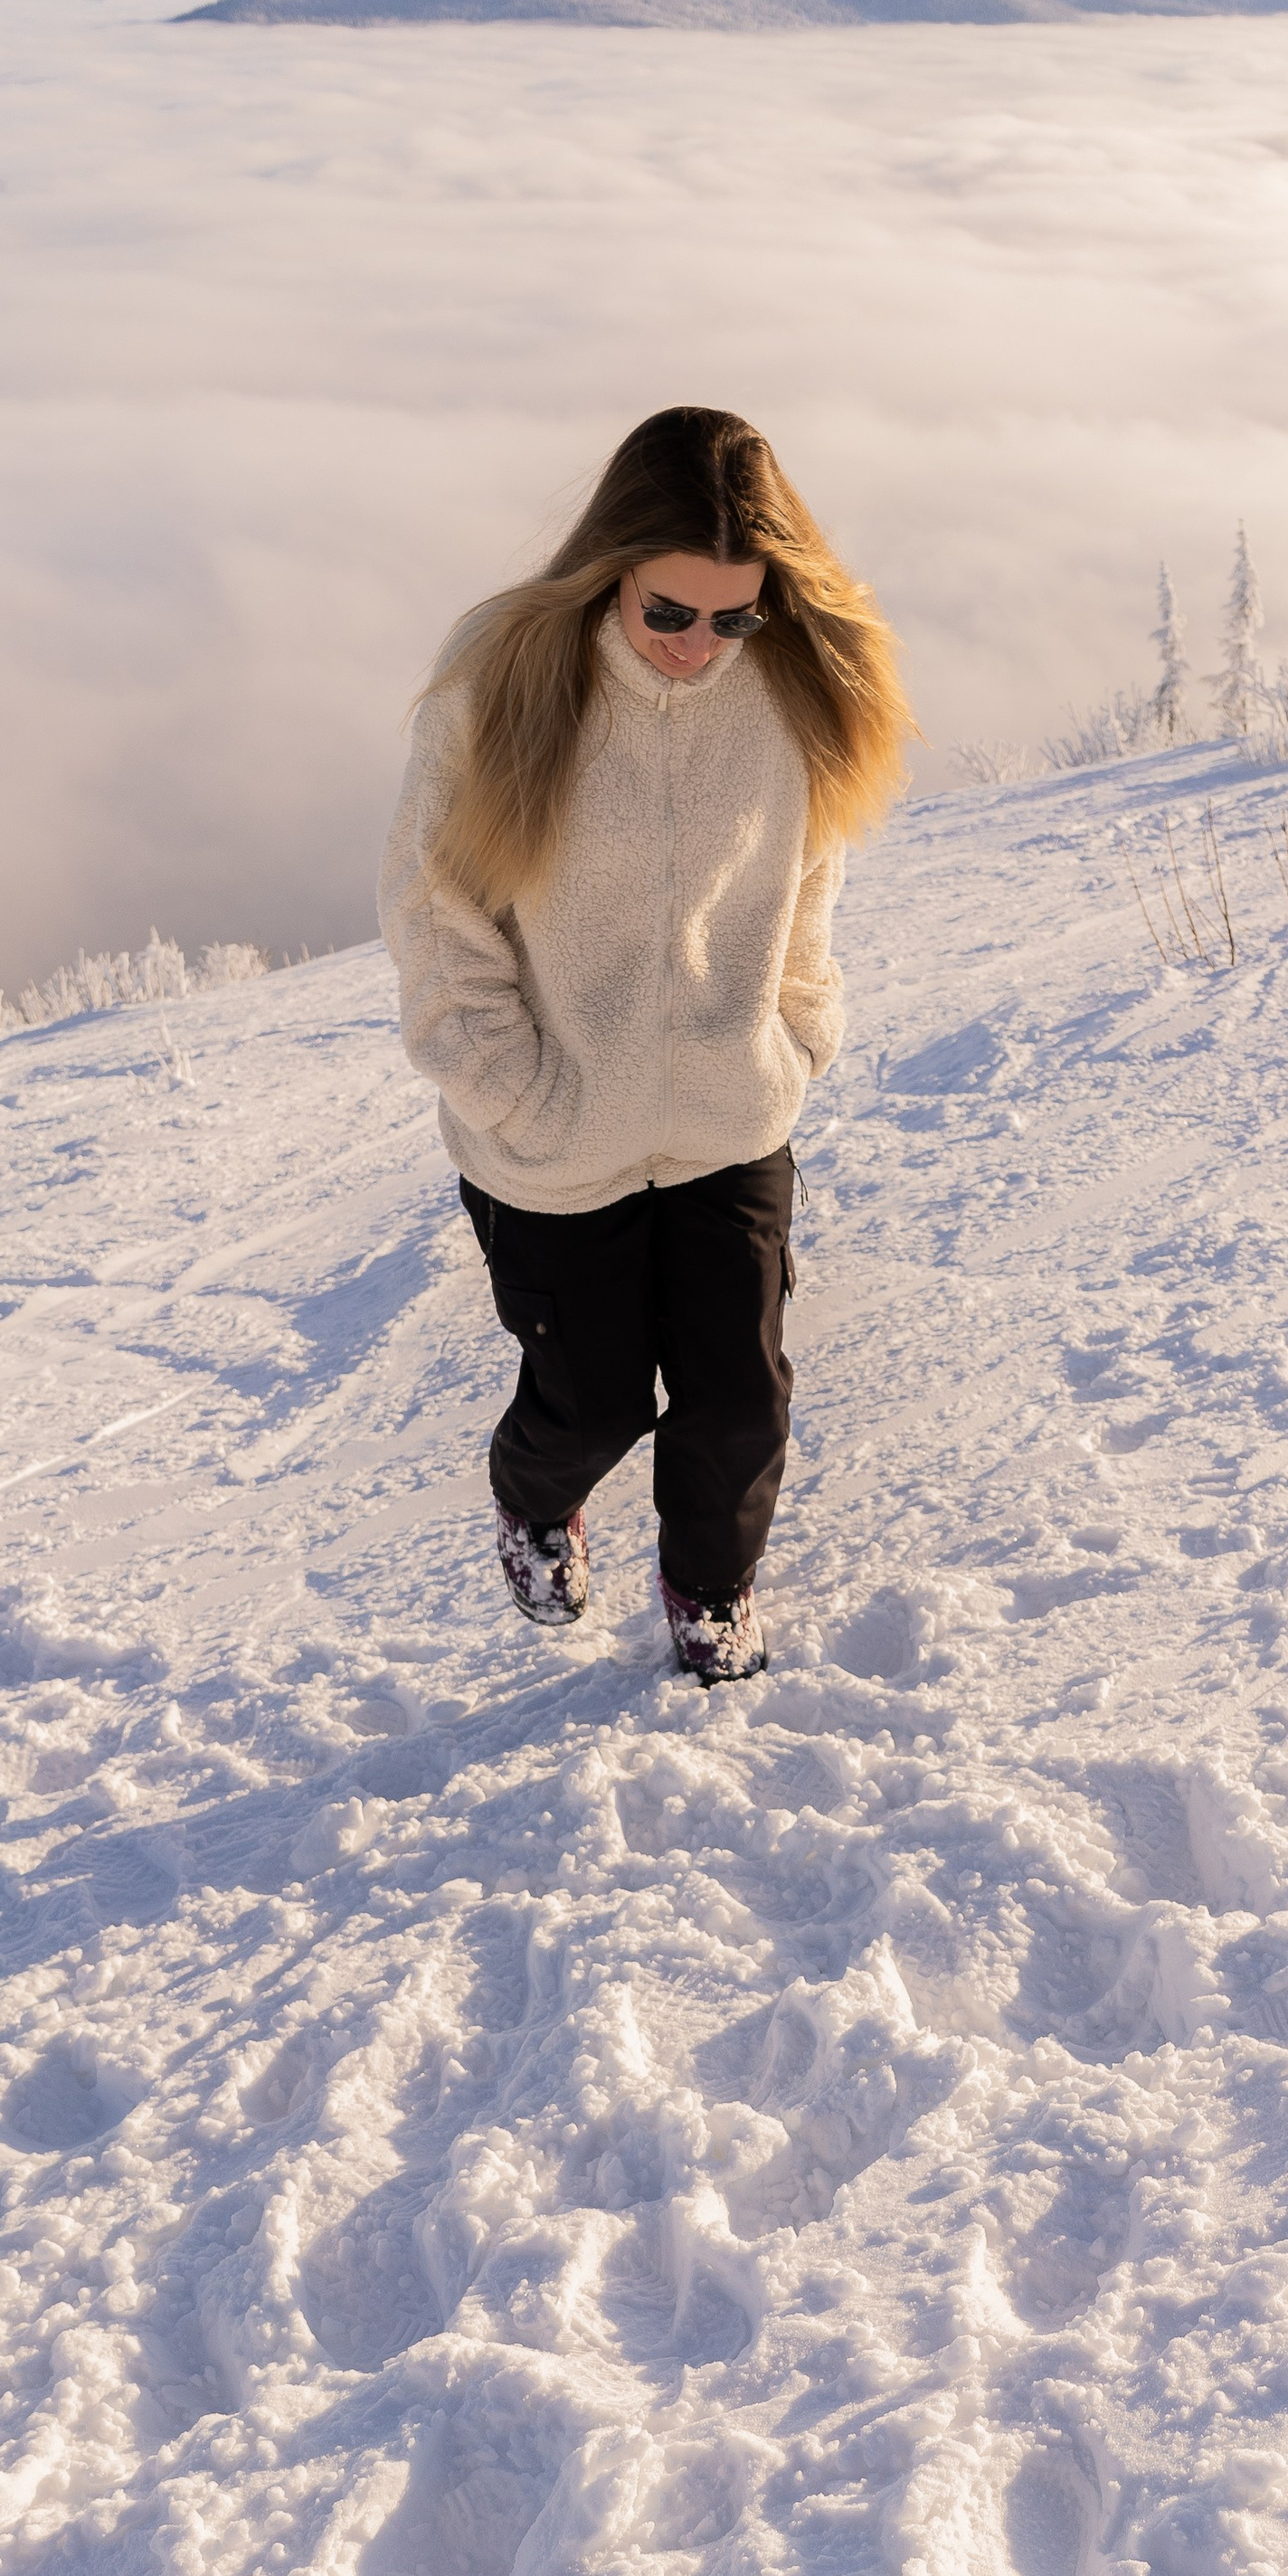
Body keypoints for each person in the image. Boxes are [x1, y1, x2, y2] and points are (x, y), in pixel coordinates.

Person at [379, 406, 914, 1683]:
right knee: (594, 1400)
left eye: (735, 618)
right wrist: (514, 1090)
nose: (698, 645)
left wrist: (797, 1031)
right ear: (611, 567)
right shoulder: (504, 684)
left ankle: (711, 1590)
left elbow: (811, 880)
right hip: (554, 1143)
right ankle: (533, 1495)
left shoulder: (791, 687)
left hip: (732, 1116)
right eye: (668, 611)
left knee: (742, 1397)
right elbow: (434, 909)